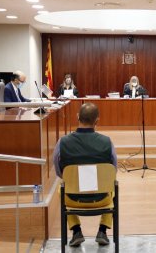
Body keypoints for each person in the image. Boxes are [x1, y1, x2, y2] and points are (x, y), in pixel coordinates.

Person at [53, 103, 117, 247]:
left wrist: (72, 179)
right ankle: (102, 231)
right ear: (97, 121)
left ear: (77, 117)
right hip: (102, 199)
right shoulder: (107, 142)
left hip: (72, 199)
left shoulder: (62, 142)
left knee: (61, 188)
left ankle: (76, 231)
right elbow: (113, 171)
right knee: (112, 186)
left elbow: (59, 172)